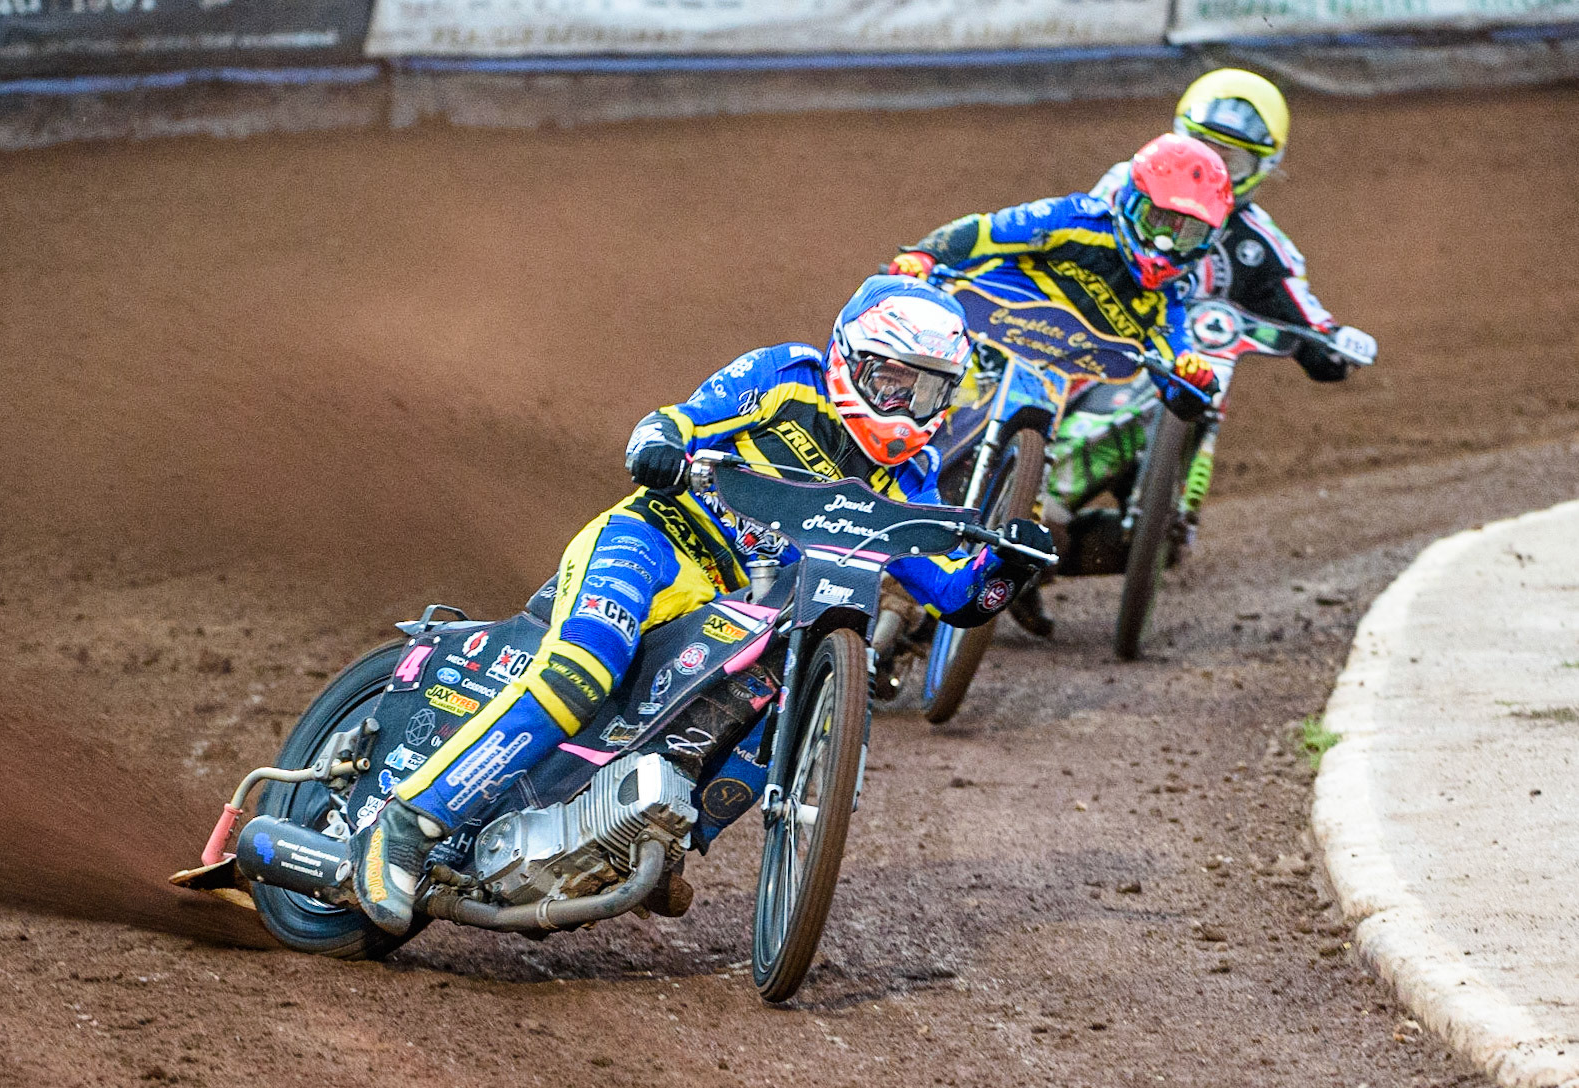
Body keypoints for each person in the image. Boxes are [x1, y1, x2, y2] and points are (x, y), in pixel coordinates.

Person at [349, 275, 1052, 935]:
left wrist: (1008, 564)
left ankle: (660, 832)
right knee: (584, 669)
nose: (903, 406)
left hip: (729, 604)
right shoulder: (786, 377)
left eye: (926, 392)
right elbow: (675, 422)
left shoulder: (909, 477)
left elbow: (959, 593)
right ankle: (407, 823)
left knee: (775, 700)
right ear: (849, 359)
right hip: (653, 540)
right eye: (891, 381)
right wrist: (659, 446)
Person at [884, 132, 1235, 635]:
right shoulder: (1076, 220)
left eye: (1185, 233)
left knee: (1048, 502)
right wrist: (926, 255)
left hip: (1051, 380)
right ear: (1130, 201)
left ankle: (1012, 573)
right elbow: (986, 232)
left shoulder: (1167, 296)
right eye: (1159, 221)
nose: (1164, 243)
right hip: (984, 339)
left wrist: (1190, 374)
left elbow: (1177, 357)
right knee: (914, 416)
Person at [1090, 68, 1378, 381]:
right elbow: (1075, 223)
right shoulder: (1128, 183)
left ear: (1263, 165)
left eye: (1230, 163)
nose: (1210, 172)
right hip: (1089, 331)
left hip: (1179, 366)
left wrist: (1332, 342)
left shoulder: (1256, 244)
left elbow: (1302, 318)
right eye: (1202, 150)